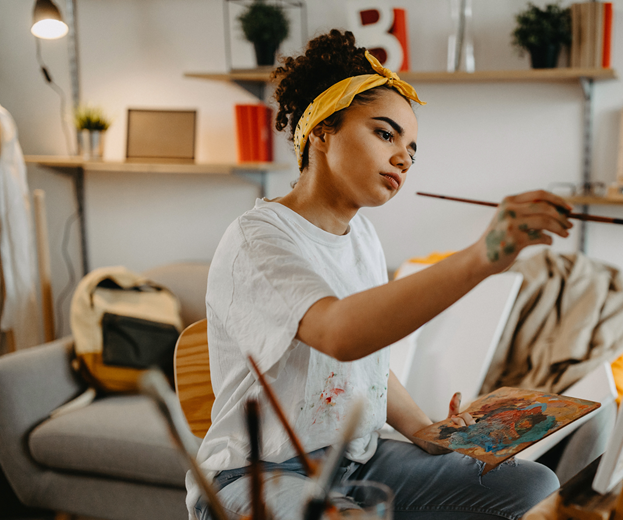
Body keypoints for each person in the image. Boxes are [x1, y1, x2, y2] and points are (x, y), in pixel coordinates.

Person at [189, 29, 574, 520]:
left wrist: (426, 431)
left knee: (534, 485)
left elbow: (364, 367)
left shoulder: (364, 238)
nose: (403, 158)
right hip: (259, 473)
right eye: (385, 133)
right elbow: (340, 334)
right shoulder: (257, 239)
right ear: (322, 131)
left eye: (412, 148)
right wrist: (484, 256)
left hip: (359, 461)